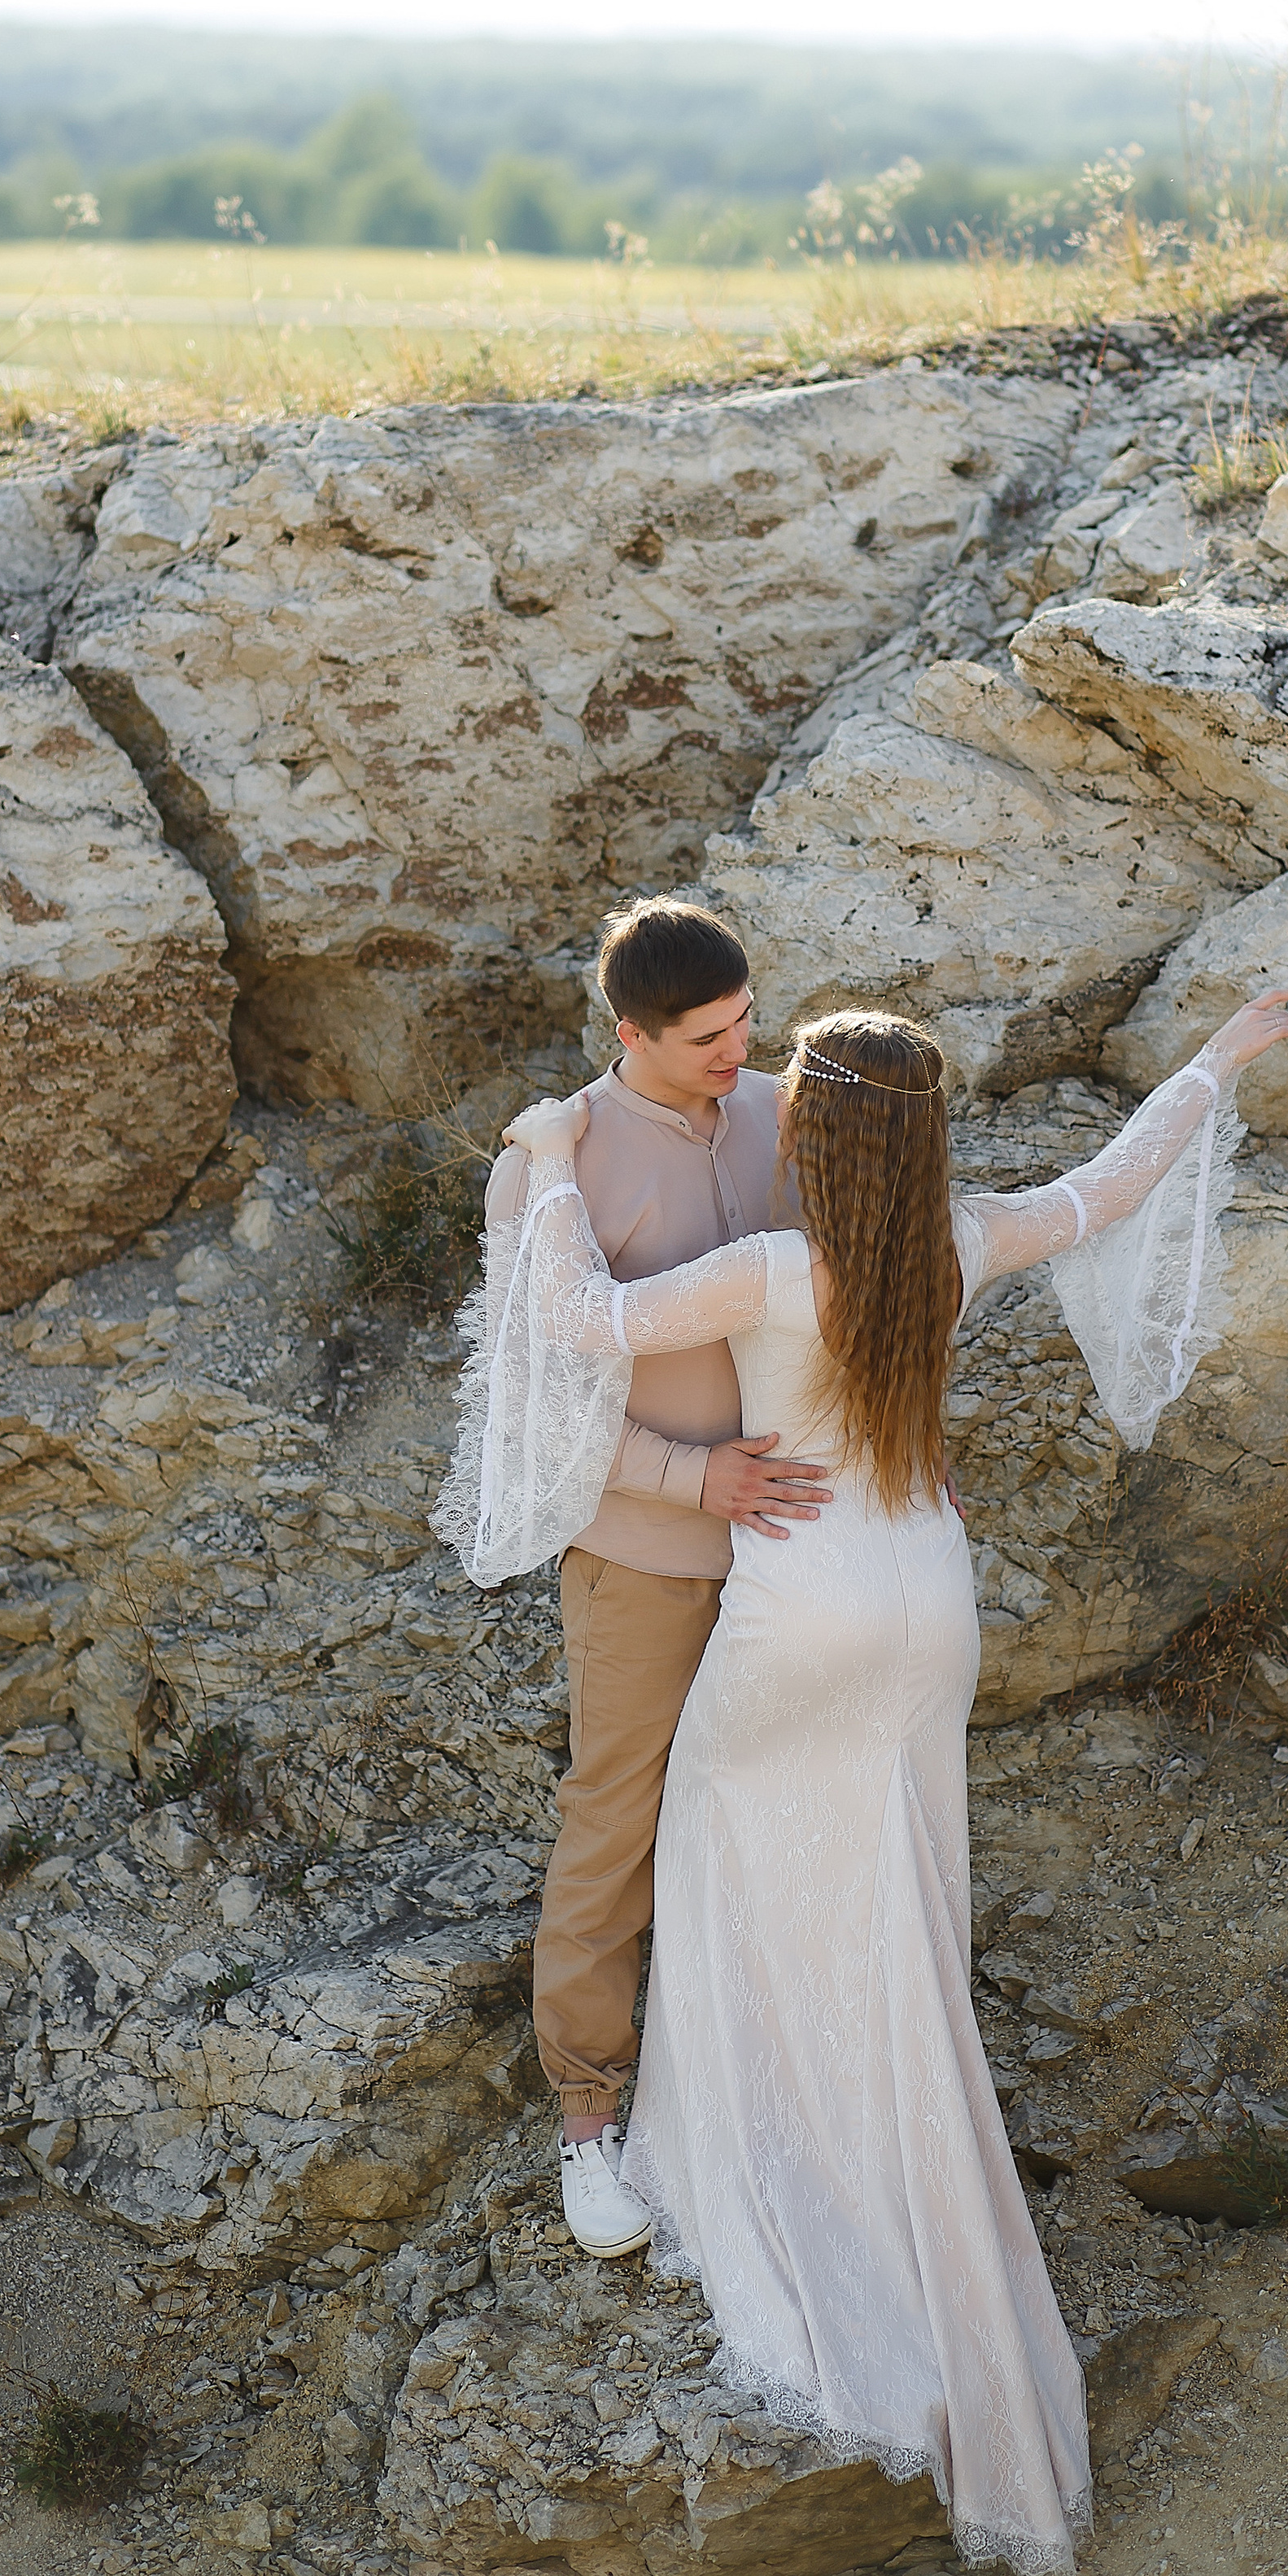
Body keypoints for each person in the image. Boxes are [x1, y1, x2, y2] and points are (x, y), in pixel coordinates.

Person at [462, 985, 1288, 2576]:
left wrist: (552, 1157)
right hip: (932, 1607)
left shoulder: (777, 1269)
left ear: (815, 1133)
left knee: (710, 1847)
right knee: (895, 1899)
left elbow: (575, 1317)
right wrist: (1222, 1054)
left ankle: (748, 2149)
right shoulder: (958, 1244)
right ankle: (905, 2148)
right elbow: (1115, 1183)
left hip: (806, 1605)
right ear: (923, 1139)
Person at [439, 897, 834, 2258]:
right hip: (647, 1558)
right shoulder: (554, 1168)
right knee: (616, 1822)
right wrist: (691, 1478)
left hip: (805, 1548)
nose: (742, 1052)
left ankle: (780, 2088)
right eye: (709, 1036)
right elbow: (534, 1403)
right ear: (631, 1034)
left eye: (747, 1022)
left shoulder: (788, 1114)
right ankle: (588, 2117)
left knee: (789, 1805)